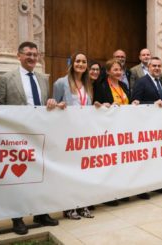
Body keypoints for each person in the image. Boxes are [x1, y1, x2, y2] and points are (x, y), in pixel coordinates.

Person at [0, 41, 59, 235]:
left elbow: (46, 105)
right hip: (17, 139)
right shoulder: (7, 78)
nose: (32, 57)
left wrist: (52, 103)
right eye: (28, 54)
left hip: (40, 136)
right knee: (19, 179)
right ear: (19, 56)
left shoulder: (42, 79)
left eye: (35, 54)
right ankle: (17, 218)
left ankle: (41, 213)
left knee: (42, 176)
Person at [53, 53, 94, 218]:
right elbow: (51, 106)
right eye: (78, 61)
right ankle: (69, 206)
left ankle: (83, 204)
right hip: (68, 134)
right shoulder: (61, 83)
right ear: (72, 63)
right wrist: (57, 105)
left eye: (84, 62)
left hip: (84, 134)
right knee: (70, 171)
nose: (81, 64)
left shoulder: (88, 84)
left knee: (84, 170)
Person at [131, 57, 162, 197]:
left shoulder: (161, 83)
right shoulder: (142, 82)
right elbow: (135, 102)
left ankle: (156, 185)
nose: (157, 68)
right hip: (144, 126)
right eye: (154, 66)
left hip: (158, 126)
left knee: (156, 158)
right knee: (145, 160)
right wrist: (153, 103)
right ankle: (142, 190)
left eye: (159, 66)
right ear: (148, 67)